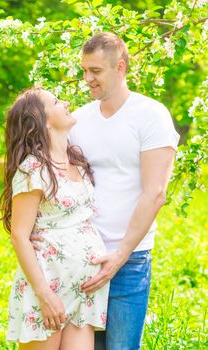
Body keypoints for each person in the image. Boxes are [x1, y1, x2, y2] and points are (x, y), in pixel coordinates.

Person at [68, 32, 180, 350]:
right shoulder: (78, 119)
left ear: (120, 67)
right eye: (84, 70)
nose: (87, 79)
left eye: (96, 71)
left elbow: (156, 192)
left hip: (129, 261)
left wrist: (118, 257)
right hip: (82, 259)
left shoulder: (151, 115)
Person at [0, 87, 109, 350]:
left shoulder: (77, 162)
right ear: (43, 120)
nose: (67, 102)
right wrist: (45, 295)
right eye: (57, 102)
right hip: (48, 289)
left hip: (84, 292)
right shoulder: (33, 168)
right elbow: (20, 237)